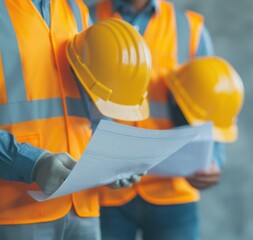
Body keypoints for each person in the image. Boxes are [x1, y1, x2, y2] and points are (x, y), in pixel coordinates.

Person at [0, 1, 150, 238]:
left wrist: (109, 159)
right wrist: (32, 162)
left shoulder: (76, 9)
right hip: (14, 211)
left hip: (83, 209)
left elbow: (89, 103)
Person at [90, 0, 231, 239]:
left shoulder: (189, 28)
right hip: (103, 189)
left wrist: (213, 158)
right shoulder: (84, 18)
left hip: (173, 189)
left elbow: (213, 100)